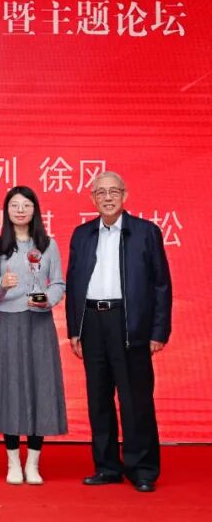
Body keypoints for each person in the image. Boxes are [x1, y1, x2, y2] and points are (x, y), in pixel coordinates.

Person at [66, 171, 172, 493]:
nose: (108, 197)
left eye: (114, 191)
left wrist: (158, 331)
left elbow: (161, 285)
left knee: (135, 400)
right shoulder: (82, 234)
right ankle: (107, 466)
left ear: (125, 195)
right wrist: (74, 329)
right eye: (101, 192)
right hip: (92, 322)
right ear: (92, 199)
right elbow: (73, 284)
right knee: (98, 399)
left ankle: (142, 469)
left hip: (130, 322)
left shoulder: (145, 232)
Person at [0, 186, 67, 485]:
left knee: (39, 386)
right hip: (7, 322)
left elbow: (58, 283)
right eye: (14, 205)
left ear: (35, 210)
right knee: (10, 388)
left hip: (39, 322)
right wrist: (2, 285)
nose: (20, 210)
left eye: (26, 205)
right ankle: (12, 463)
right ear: (6, 211)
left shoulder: (48, 245)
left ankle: (33, 463)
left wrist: (47, 299)